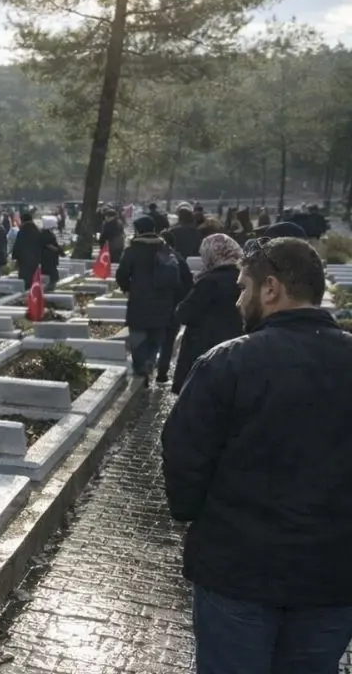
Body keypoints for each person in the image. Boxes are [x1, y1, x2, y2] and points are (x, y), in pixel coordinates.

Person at [161, 237, 352, 673]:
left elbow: (184, 454)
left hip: (238, 571)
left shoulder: (227, 363)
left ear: (270, 288)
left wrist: (193, 514)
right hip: (334, 574)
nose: (238, 301)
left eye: (244, 288)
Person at [115, 215, 192, 385]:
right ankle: (150, 361)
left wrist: (129, 288)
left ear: (138, 230)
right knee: (156, 338)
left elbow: (121, 275)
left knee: (138, 338)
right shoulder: (165, 248)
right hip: (164, 304)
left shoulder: (133, 250)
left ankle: (142, 368)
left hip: (139, 303)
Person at [169, 234, 244, 394]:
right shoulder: (246, 278)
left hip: (205, 347)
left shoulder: (210, 281)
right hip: (239, 345)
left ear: (211, 254)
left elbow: (185, 313)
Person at [11, 212, 41, 292]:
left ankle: (26, 292)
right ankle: (32, 291)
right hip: (35, 258)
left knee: (24, 277)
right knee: (33, 276)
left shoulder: (23, 230)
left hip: (24, 258)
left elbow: (18, 244)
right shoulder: (36, 230)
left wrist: (15, 256)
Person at [39, 214, 63, 292]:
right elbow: (48, 245)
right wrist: (57, 250)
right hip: (48, 258)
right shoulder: (45, 234)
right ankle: (48, 288)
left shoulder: (46, 233)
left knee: (52, 274)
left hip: (49, 258)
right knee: (52, 275)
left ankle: (49, 288)